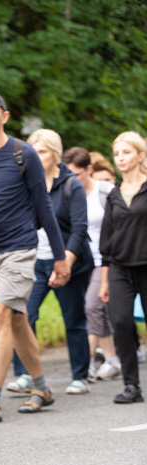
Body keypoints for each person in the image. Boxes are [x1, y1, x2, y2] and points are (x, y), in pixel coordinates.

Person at [0, 91, 69, 421]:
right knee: (16, 320)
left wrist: (60, 256)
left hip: (21, 248)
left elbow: (43, 206)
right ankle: (42, 386)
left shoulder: (25, 153)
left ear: (4, 116)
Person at [5, 130, 92, 395]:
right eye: (32, 150)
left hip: (68, 261)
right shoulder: (25, 183)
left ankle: (80, 376)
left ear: (55, 153)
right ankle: (24, 374)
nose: (35, 156)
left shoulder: (70, 184)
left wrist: (64, 263)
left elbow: (79, 229)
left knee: (74, 320)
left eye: (41, 151)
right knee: (23, 316)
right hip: (33, 262)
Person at [62, 146, 121, 381]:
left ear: (89, 170)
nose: (72, 179)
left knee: (92, 306)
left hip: (104, 258)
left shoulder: (105, 191)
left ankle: (89, 362)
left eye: (76, 174)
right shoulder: (67, 191)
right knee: (94, 310)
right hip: (79, 259)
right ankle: (111, 358)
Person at [98, 131, 147, 404]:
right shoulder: (114, 195)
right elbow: (106, 240)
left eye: (126, 152)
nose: (120, 159)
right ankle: (132, 386)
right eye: (117, 154)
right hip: (119, 268)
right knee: (121, 322)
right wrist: (104, 280)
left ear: (141, 156)